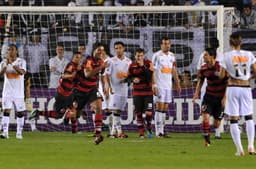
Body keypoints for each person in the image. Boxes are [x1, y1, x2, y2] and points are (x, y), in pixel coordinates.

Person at [219, 33, 256, 156]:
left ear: (230, 43)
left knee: (233, 119)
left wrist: (228, 75)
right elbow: (255, 71)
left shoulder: (226, 56)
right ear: (241, 43)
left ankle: (240, 149)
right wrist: (249, 77)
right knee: (249, 117)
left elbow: (222, 75)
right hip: (245, 87)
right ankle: (251, 145)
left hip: (233, 87)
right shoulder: (249, 55)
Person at [29, 52, 83, 134]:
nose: (78, 59)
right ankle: (37, 112)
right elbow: (63, 76)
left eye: (79, 58)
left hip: (69, 93)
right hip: (62, 94)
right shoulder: (71, 66)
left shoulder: (78, 68)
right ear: (73, 58)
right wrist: (72, 75)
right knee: (59, 115)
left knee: (73, 109)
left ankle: (74, 131)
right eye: (76, 57)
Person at [74, 43, 108, 144]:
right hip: (81, 89)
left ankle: (98, 134)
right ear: (94, 50)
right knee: (76, 114)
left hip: (92, 89)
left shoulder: (101, 61)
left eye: (102, 50)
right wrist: (101, 67)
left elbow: (102, 75)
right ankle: (69, 115)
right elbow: (87, 74)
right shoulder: (88, 60)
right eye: (98, 50)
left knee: (98, 107)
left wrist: (104, 86)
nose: (100, 52)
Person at [192, 48, 227, 147]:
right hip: (208, 97)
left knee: (216, 125)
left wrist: (225, 97)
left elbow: (227, 82)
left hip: (220, 98)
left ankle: (213, 131)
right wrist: (196, 94)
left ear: (212, 56)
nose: (204, 57)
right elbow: (201, 80)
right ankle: (207, 141)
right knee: (205, 118)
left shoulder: (221, 67)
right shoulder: (203, 68)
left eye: (206, 55)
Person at [152, 37, 181, 138]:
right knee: (159, 108)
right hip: (159, 85)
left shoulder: (172, 56)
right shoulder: (156, 56)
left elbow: (173, 70)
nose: (166, 45)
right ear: (161, 45)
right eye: (164, 44)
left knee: (165, 108)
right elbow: (153, 71)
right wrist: (154, 85)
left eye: (168, 44)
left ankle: (162, 131)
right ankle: (158, 132)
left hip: (168, 86)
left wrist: (177, 83)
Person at [197, 37, 224, 139]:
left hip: (218, 88)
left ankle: (216, 132)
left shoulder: (222, 56)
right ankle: (208, 131)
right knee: (206, 110)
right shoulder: (203, 56)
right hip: (207, 86)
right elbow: (199, 71)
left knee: (216, 112)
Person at [105, 41, 131, 138]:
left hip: (124, 89)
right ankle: (119, 132)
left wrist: (128, 79)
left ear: (123, 49)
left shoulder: (129, 61)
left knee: (118, 111)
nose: (118, 50)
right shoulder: (111, 61)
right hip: (114, 89)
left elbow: (130, 74)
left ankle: (112, 133)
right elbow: (107, 75)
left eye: (120, 48)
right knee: (114, 110)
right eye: (116, 48)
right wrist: (109, 87)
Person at [0, 44, 26, 139]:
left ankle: (19, 133)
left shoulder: (21, 61)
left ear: (16, 51)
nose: (10, 51)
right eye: (8, 50)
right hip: (7, 92)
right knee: (6, 111)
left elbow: (22, 72)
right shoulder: (3, 62)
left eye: (12, 49)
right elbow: (0, 74)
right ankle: (5, 133)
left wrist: (12, 64)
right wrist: (6, 65)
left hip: (18, 92)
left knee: (20, 113)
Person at [128, 48, 154, 138]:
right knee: (138, 113)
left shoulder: (149, 63)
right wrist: (132, 79)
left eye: (141, 55)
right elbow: (128, 77)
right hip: (137, 93)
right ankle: (141, 133)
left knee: (148, 113)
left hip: (148, 92)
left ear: (144, 56)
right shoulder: (132, 65)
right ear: (135, 56)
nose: (139, 57)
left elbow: (149, 77)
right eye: (138, 55)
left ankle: (149, 126)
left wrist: (143, 66)